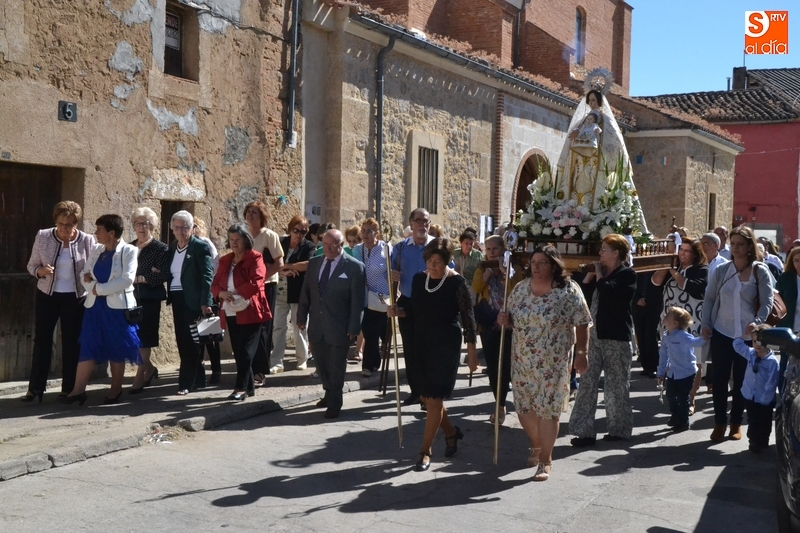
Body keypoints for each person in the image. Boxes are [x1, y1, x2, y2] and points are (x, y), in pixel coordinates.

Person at [497, 245, 591, 481]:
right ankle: (537, 444)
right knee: (524, 408)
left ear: (554, 266)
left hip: (554, 362)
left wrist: (582, 352)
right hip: (522, 360)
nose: (536, 267)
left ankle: (545, 460)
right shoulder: (520, 288)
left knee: (548, 410)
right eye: (533, 262)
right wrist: (504, 320)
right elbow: (511, 319)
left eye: (542, 263)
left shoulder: (568, 290)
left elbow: (582, 321)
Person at [388, 238, 478, 472]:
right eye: (429, 261)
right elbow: (413, 310)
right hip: (421, 342)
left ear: (446, 261)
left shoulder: (457, 283)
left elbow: (468, 319)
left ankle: (425, 451)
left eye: (437, 262)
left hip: (445, 345)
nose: (432, 266)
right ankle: (451, 432)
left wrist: (471, 353)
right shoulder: (420, 279)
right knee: (427, 398)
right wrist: (398, 311)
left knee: (435, 398)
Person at [701, 225, 774, 442]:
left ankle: (735, 423)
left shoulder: (759, 271)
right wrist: (706, 324)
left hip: (746, 336)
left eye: (740, 244)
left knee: (742, 381)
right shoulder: (722, 270)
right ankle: (719, 423)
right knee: (719, 379)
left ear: (750, 247)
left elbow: (767, 302)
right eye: (732, 244)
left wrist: (757, 323)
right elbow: (710, 299)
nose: (735, 248)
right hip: (722, 332)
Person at [539, 88, 647, 234]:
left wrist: (599, 139)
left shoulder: (606, 121)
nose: (591, 103)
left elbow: (614, 144)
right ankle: (572, 222)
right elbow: (571, 141)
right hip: (579, 165)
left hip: (599, 166)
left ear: (599, 101)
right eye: (589, 101)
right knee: (577, 195)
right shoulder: (582, 121)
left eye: (594, 100)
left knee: (598, 198)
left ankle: (597, 225)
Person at [60, 214, 141, 405]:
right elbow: (84, 274)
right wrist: (93, 288)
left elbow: (127, 280)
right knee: (88, 344)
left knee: (116, 347)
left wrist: (99, 289)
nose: (95, 233)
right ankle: (78, 390)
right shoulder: (97, 250)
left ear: (111, 233)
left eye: (99, 229)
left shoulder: (129, 251)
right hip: (94, 307)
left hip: (117, 309)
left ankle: (115, 389)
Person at [22, 201, 95, 402]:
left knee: (72, 342)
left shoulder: (87, 240)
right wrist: (40, 271)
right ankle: (35, 389)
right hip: (47, 295)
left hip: (75, 297)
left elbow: (93, 268)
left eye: (69, 225)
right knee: (42, 340)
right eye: (61, 224)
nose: (64, 229)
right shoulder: (43, 236)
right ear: (55, 222)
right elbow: (31, 265)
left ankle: (69, 388)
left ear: (76, 224)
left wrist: (90, 277)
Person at [570, 234, 637, 446]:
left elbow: (609, 291)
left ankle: (619, 429)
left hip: (616, 337)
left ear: (616, 253)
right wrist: (591, 276)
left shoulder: (627, 274)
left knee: (616, 386)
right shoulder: (601, 275)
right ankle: (584, 431)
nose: (600, 253)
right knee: (587, 383)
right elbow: (583, 298)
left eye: (604, 249)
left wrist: (599, 274)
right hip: (594, 336)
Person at [297, 229, 366, 419]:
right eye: (324, 245)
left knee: (336, 366)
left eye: (331, 245)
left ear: (341, 245)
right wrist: (301, 315)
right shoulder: (314, 263)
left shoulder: (355, 267)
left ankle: (335, 402)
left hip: (340, 326)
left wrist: (354, 327)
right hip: (317, 324)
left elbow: (357, 301)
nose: (327, 249)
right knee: (322, 364)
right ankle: (328, 393)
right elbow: (306, 292)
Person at [391, 208, 454, 407]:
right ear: (411, 223)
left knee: (430, 349)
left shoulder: (437, 246)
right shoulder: (400, 248)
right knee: (410, 349)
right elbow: (391, 272)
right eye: (418, 220)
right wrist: (391, 275)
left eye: (426, 221)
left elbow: (450, 271)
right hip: (408, 301)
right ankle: (416, 392)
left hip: (432, 303)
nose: (422, 224)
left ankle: (430, 393)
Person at [212, 224, 271, 401]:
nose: (234, 243)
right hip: (230, 310)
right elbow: (215, 284)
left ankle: (240, 388)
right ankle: (249, 387)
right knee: (238, 351)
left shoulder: (255, 257)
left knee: (245, 350)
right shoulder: (226, 260)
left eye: (237, 239)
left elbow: (257, 281)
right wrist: (221, 293)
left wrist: (236, 292)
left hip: (250, 309)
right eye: (231, 240)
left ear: (246, 240)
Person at [651, 238, 708, 411]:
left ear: (695, 254)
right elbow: (655, 282)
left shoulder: (701, 269)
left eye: (687, 251)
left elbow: (691, 287)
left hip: (692, 322)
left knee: (694, 361)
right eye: (681, 250)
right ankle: (676, 395)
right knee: (672, 358)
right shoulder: (673, 266)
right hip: (670, 322)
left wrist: (673, 272)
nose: (682, 254)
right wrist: (665, 265)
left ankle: (690, 398)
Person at [472, 235, 524, 424]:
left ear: (503, 250)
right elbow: (476, 287)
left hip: (511, 324)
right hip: (489, 323)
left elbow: (516, 289)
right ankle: (499, 405)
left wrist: (504, 271)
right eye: (488, 249)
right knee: (494, 366)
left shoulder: (514, 268)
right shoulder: (482, 267)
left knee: (509, 366)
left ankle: (516, 402)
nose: (492, 253)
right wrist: (487, 272)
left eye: (495, 249)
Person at [166, 210, 214, 396]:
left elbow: (207, 275)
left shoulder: (199, 247)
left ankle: (186, 383)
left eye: (184, 227)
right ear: (172, 229)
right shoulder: (172, 247)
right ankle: (199, 379)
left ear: (192, 228)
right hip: (177, 298)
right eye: (177, 227)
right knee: (182, 339)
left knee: (192, 341)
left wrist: (206, 301)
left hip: (193, 300)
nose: (181, 231)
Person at [129, 207, 169, 394]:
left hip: (149, 299)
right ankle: (150, 368)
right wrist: (145, 275)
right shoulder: (129, 247)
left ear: (153, 226)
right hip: (129, 298)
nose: (141, 227)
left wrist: (140, 278)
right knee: (132, 337)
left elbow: (162, 275)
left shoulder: (160, 249)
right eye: (138, 223)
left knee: (144, 338)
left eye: (145, 224)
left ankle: (140, 376)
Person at [244, 201, 284, 379]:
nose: (250, 215)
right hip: (247, 287)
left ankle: (260, 371)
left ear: (262, 216)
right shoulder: (244, 235)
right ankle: (248, 368)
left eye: (255, 212)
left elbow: (279, 263)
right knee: (248, 327)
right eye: (248, 211)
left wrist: (260, 281)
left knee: (263, 328)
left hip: (266, 286)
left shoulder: (269, 236)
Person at [273, 216, 315, 372]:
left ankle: (302, 359)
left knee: (300, 326)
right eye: (296, 230)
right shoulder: (280, 242)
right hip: (280, 292)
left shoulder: (308, 246)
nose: (299, 235)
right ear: (290, 229)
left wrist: (287, 266)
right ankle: (277, 361)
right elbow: (270, 263)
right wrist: (283, 271)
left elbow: (308, 264)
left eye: (303, 232)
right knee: (278, 327)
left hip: (298, 293)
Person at [657, 307, 707, 433]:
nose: (664, 317)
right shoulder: (666, 336)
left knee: (682, 397)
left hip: (686, 372)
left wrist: (705, 337)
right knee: (670, 396)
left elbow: (696, 342)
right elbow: (663, 355)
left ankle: (683, 422)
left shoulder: (683, 336)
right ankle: (675, 414)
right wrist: (661, 372)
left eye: (667, 316)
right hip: (673, 372)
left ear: (675, 323)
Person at [352, 218, 391, 377]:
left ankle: (372, 363)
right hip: (364, 297)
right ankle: (369, 365)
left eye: (369, 231)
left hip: (381, 297)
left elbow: (392, 270)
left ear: (377, 233)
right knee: (369, 331)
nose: (365, 234)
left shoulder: (386, 248)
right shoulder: (357, 250)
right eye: (363, 231)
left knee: (378, 331)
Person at [734, 323, 779, 453]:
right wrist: (745, 335)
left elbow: (772, 382)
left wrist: (766, 399)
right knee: (752, 420)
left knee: (764, 421)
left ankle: (763, 440)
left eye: (761, 342)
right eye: (754, 341)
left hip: (764, 398)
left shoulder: (772, 362)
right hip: (749, 395)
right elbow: (736, 344)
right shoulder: (750, 354)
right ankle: (753, 441)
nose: (757, 345)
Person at [193, 218, 222, 384]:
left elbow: (215, 265)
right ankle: (199, 370)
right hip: (193, 295)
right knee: (197, 335)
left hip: (207, 293)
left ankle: (216, 369)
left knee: (210, 335)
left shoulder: (205, 243)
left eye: (195, 225)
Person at [774, 246, 800, 392]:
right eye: (796, 260)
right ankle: (783, 395)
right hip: (788, 328)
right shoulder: (785, 278)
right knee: (785, 363)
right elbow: (776, 303)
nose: (799, 264)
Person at [454, 230, 482, 302]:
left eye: (471, 244)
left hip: (471, 287)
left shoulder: (478, 255)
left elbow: (481, 270)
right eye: (466, 243)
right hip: (455, 285)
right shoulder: (454, 254)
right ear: (461, 243)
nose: (469, 246)